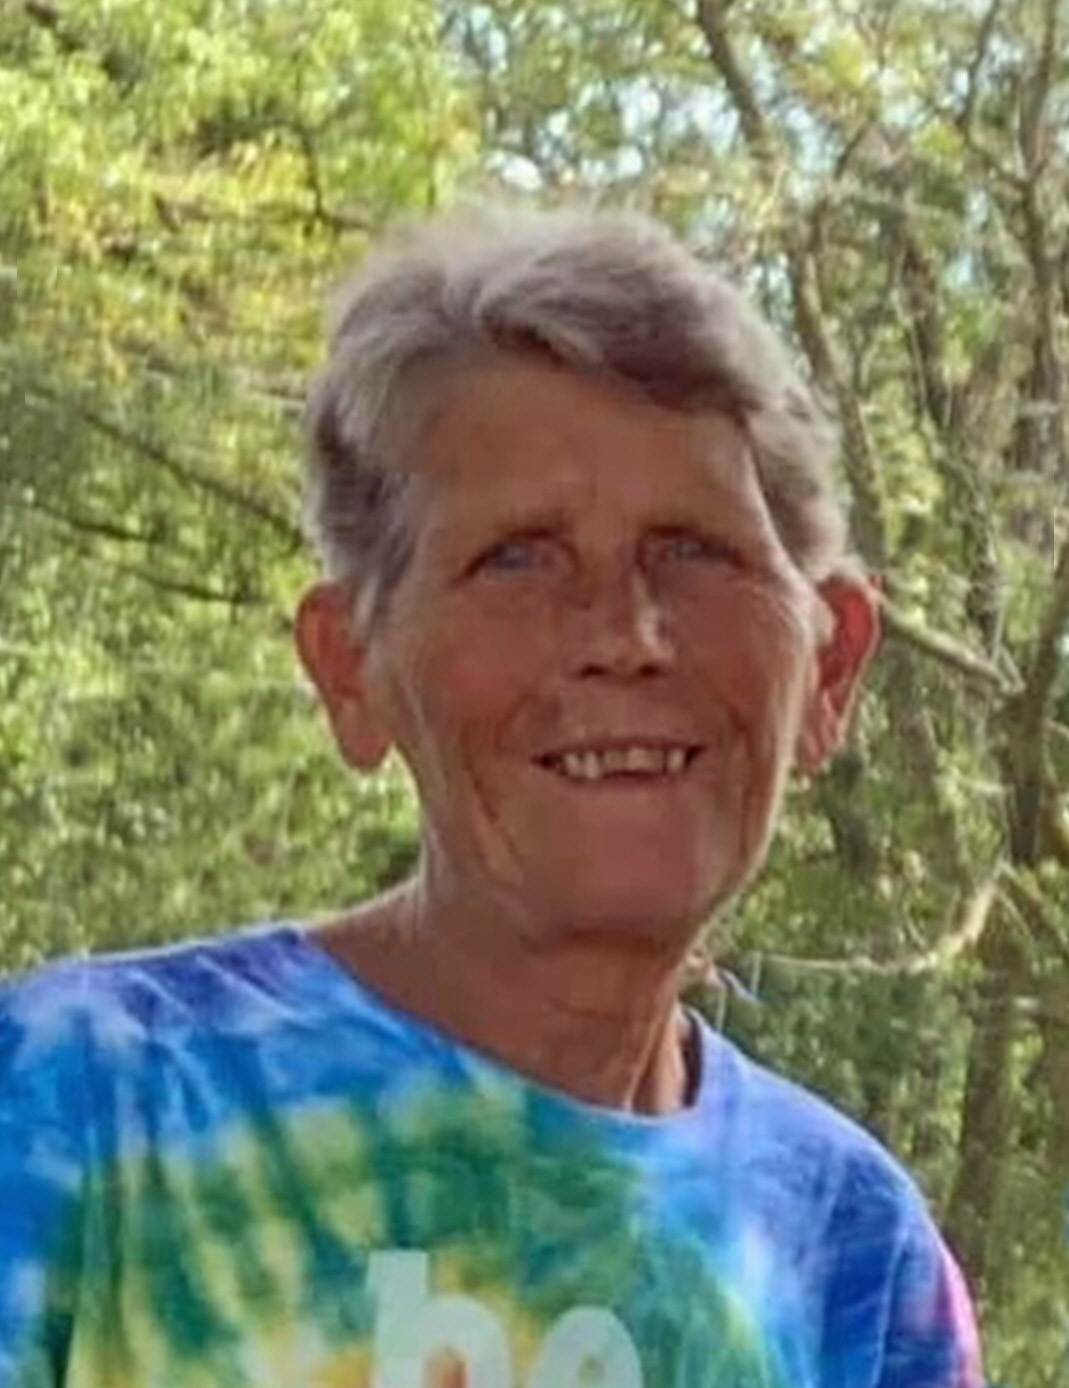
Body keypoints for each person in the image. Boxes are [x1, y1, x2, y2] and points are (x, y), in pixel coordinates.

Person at [0, 207, 984, 1388]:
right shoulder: (79, 1106)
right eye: (516, 556)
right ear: (350, 667)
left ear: (829, 665)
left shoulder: (852, 1254)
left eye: (693, 549)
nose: (625, 634)